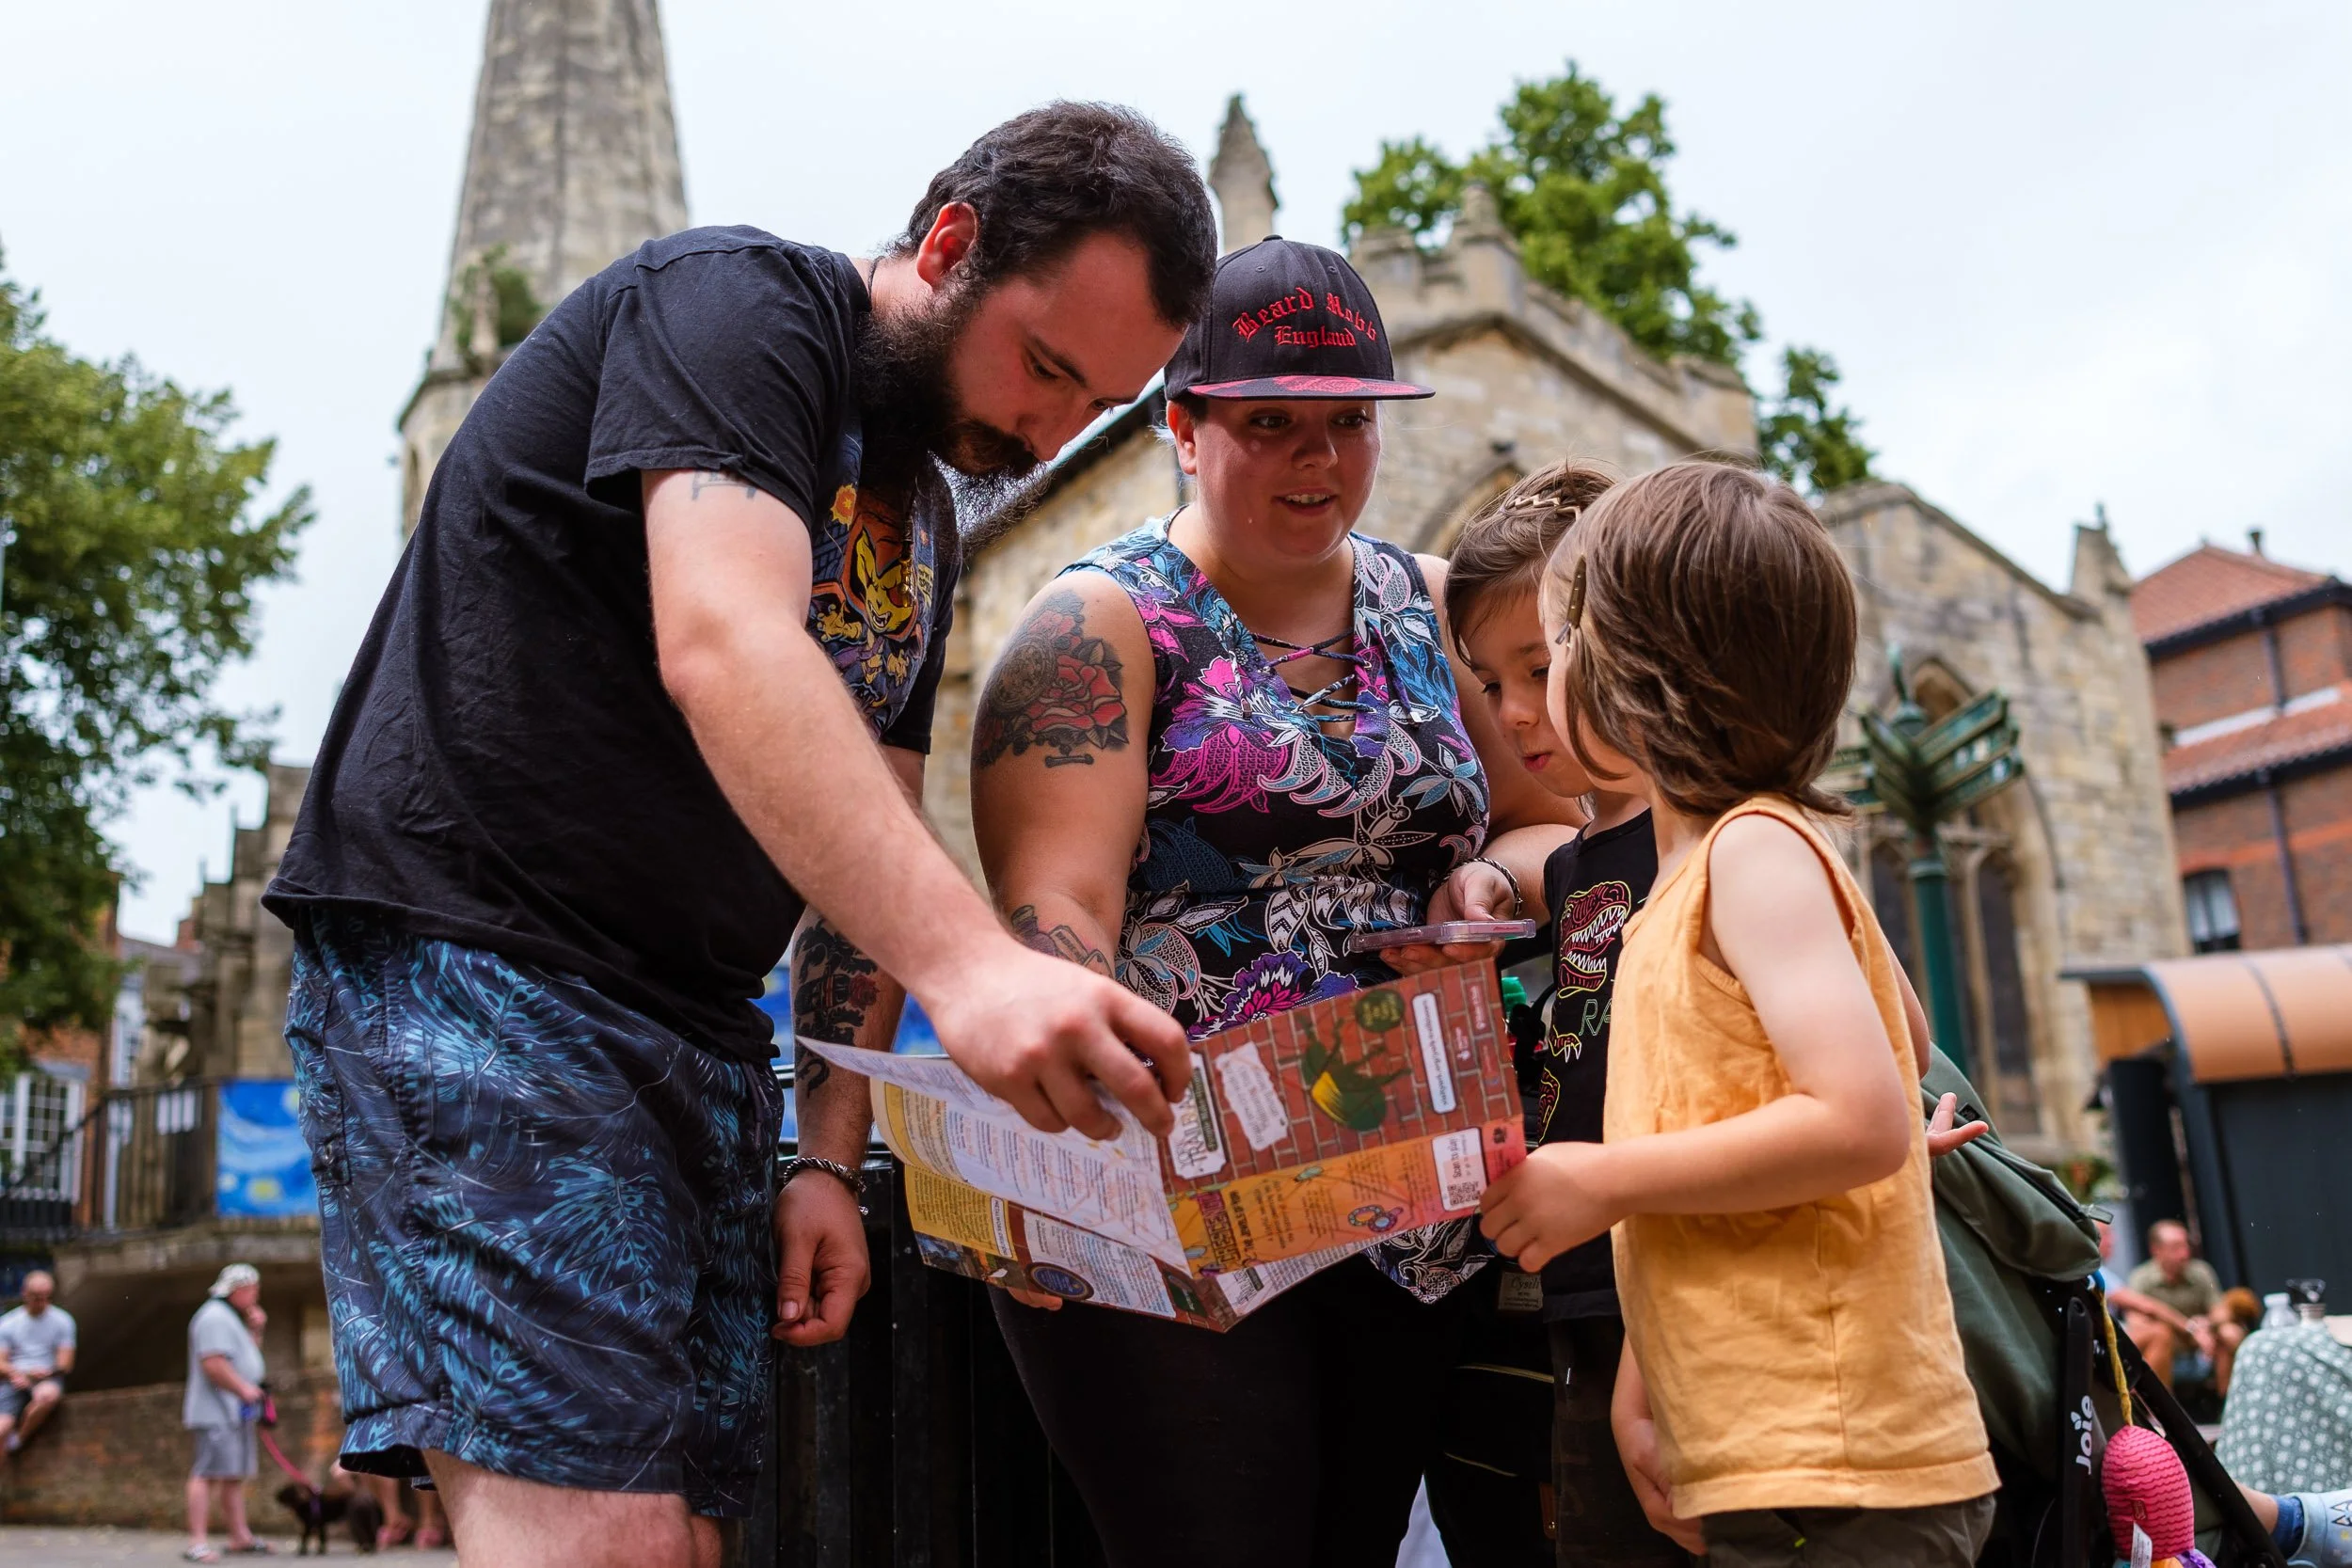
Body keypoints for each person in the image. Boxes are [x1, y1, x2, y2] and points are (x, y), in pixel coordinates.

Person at [262, 104, 1215, 1568]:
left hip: (690, 1036)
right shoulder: (736, 307)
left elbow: (868, 827)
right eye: (1042, 364)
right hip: (484, 965)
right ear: (948, 243)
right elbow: (724, 636)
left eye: (1090, 409)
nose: (1043, 430)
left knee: (699, 1541)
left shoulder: (920, 528)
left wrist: (824, 1150)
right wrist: (978, 963)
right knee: (605, 1543)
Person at [968, 237, 1579, 1567]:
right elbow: (1050, 923)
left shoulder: (1430, 604)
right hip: (1178, 1197)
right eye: (1271, 425)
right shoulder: (1098, 624)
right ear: (1185, 428)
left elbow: (1554, 816)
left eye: (1348, 424)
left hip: (1414, 1193)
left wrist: (1490, 877)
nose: (1318, 461)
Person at [1431, 461, 1988, 1567]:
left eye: (1561, 650)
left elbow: (1868, 1111)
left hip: (1834, 1467)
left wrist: (1599, 1177)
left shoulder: (1754, 853)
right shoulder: (1699, 875)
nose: (1520, 707)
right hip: (1757, 1447)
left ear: (1648, 675)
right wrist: (1649, 1380)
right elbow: (1876, 1061)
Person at [185, 1263, 270, 1561]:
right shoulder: (213, 1317)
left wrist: (255, 1329)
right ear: (239, 1289)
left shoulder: (230, 1318)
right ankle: (197, 1542)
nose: (257, 1296)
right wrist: (244, 1389)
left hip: (234, 1412)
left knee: (233, 1475)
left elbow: (246, 1356)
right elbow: (213, 1363)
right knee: (206, 1473)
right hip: (216, 1411)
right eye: (254, 1290)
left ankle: (239, 1536)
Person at [2121, 1218, 2244, 1394]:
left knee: (2230, 1332)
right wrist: (2187, 1327)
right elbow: (2135, 1322)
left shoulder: (2200, 1271)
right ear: (2156, 1250)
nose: (2184, 1253)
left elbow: (2221, 1310)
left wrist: (2206, 1324)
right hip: (2168, 1343)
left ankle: (2228, 1400)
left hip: (2203, 1342)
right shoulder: (2142, 1278)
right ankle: (2157, 1405)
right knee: (2159, 1335)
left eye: (2186, 1245)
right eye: (2175, 1247)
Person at [0, 1269, 74, 1456]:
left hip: (46, 1379)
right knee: (1, 1429)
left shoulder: (63, 1321)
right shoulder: (8, 1323)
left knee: (47, 1395)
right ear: (24, 1292)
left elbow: (65, 1364)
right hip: (14, 1380)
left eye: (44, 1297)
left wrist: (44, 1373)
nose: (40, 1301)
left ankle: (18, 1440)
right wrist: (17, 1374)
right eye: (35, 1296)